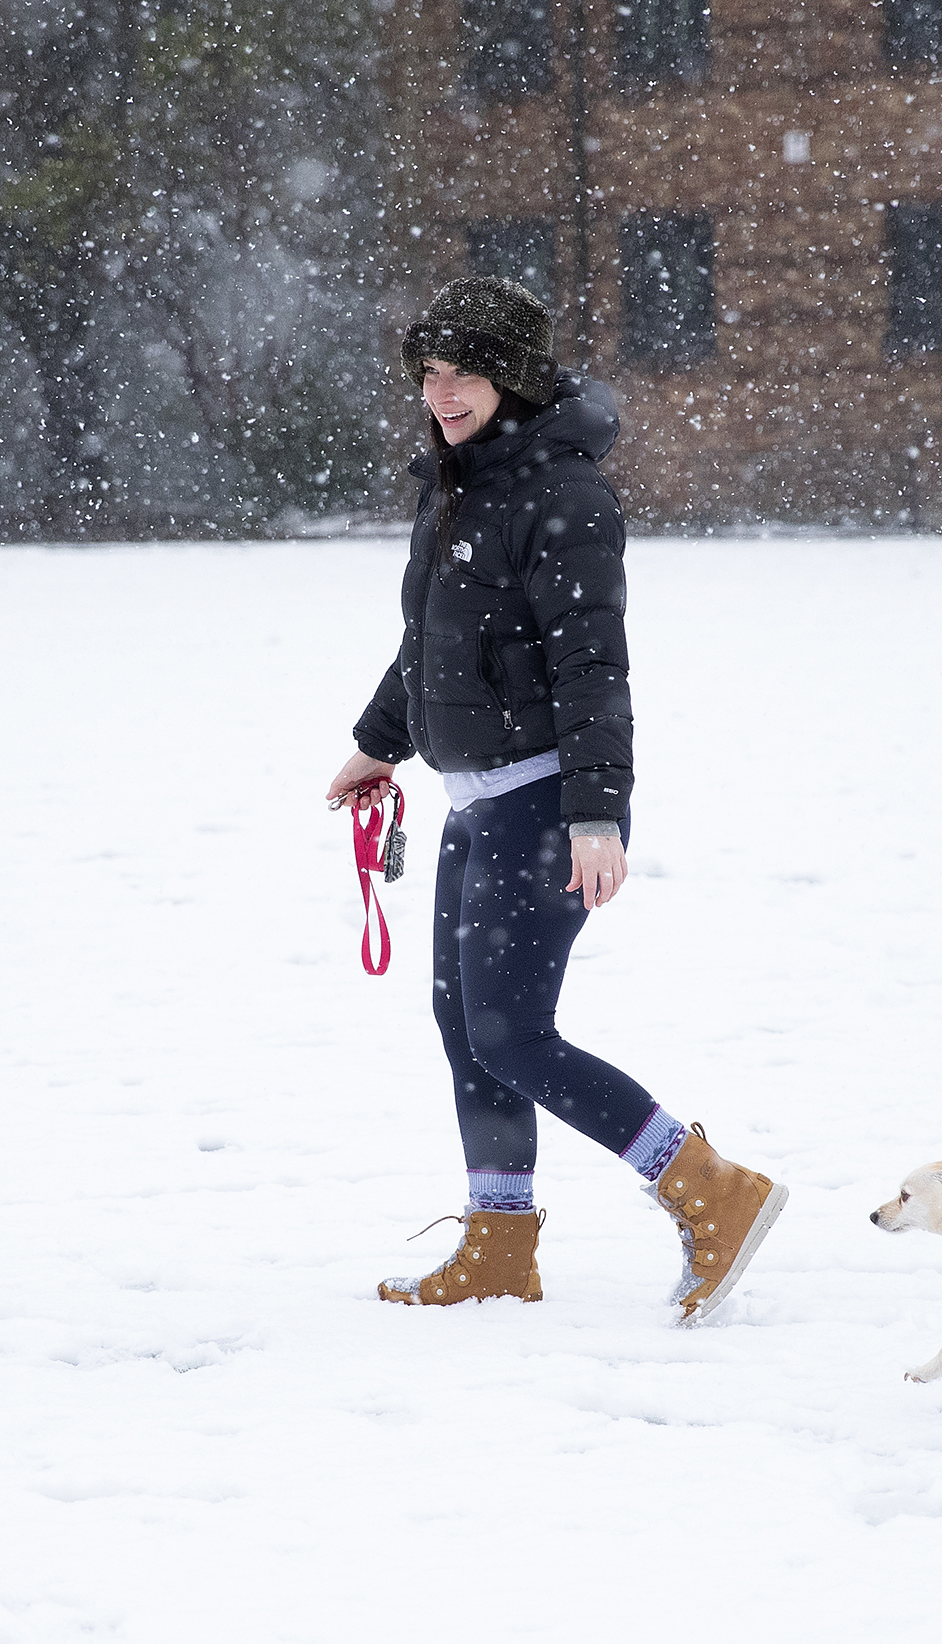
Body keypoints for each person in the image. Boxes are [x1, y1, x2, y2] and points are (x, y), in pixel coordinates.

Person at [325, 276, 786, 1325]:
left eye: (464, 372)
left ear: (513, 377)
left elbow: (593, 671)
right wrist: (376, 743)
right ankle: (498, 1241)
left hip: (541, 803)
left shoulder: (563, 495)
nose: (442, 393)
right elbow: (434, 646)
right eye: (429, 373)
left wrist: (595, 814)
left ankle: (712, 1187)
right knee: (465, 1024)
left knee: (513, 1032)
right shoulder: (453, 484)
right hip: (471, 801)